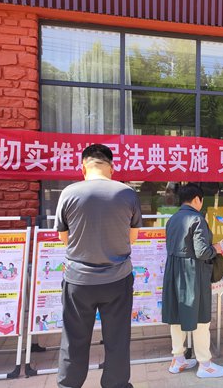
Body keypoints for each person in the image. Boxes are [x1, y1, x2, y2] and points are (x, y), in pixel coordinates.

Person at [55, 144, 142, 388]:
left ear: (83, 167)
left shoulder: (69, 193)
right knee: (117, 339)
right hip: (117, 279)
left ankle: (68, 385)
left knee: (74, 339)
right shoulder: (127, 193)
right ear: (111, 168)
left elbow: (63, 237)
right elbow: (132, 237)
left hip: (78, 281)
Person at [162, 183, 223, 378]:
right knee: (201, 318)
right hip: (193, 274)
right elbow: (202, 252)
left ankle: (178, 359)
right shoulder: (197, 219)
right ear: (197, 199)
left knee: (176, 316)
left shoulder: (172, 219)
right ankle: (205, 364)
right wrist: (216, 248)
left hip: (173, 272)